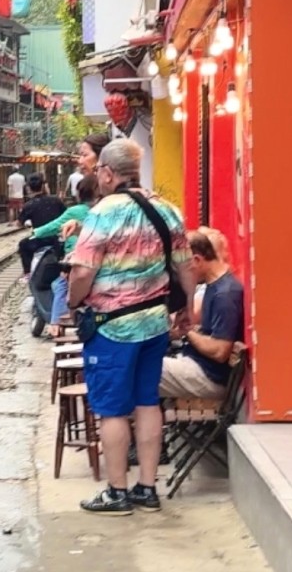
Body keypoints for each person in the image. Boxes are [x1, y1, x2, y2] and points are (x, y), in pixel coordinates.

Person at [66, 139, 194, 516]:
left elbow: (82, 271)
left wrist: (74, 301)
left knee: (112, 411)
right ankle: (147, 490)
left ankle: (117, 492)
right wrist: (186, 310)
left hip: (112, 328)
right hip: (155, 323)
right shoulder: (167, 210)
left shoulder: (103, 213)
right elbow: (186, 267)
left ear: (107, 172)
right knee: (148, 403)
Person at [160, 229, 244, 400]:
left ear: (197, 260)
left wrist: (188, 332)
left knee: (141, 370)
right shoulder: (216, 285)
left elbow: (220, 351)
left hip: (208, 376)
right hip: (198, 366)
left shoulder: (225, 294)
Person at [30, 174, 99, 335]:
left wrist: (36, 232)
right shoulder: (103, 209)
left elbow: (54, 226)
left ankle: (56, 324)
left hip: (76, 258)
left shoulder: (76, 211)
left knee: (59, 284)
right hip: (97, 258)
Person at [16, 174, 67, 275]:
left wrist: (26, 224)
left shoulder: (29, 205)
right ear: (43, 186)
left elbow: (19, 224)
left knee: (23, 245)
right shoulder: (56, 201)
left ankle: (27, 272)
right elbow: (66, 215)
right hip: (56, 239)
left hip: (39, 239)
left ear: (29, 188)